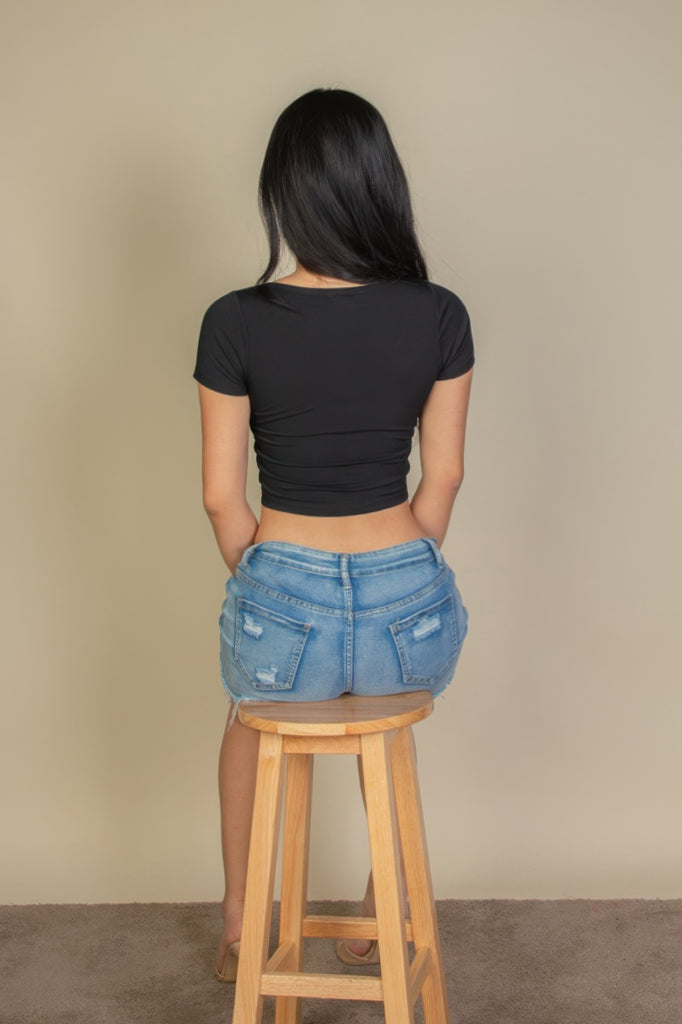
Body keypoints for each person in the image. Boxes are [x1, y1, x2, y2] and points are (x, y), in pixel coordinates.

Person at [193, 87, 474, 982]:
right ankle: (381, 908)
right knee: (387, 717)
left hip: (284, 591)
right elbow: (444, 478)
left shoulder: (233, 320)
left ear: (284, 192)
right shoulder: (439, 312)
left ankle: (240, 917)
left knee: (250, 719)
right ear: (379, 185)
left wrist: (272, 583)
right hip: (406, 595)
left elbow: (221, 499)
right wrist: (398, 570)